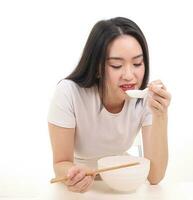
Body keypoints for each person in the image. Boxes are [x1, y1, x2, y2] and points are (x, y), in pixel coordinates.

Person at [47, 17, 171, 193]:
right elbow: (60, 163)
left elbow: (155, 176)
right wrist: (73, 173)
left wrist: (161, 115)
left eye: (137, 63)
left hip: (120, 185)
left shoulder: (146, 99)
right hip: (77, 188)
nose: (129, 75)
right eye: (116, 65)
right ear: (97, 67)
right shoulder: (69, 93)